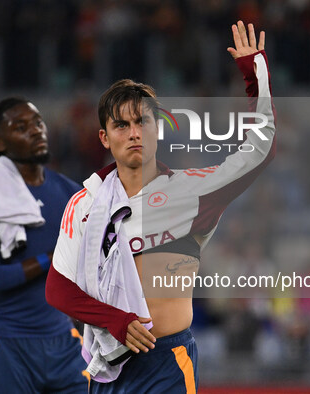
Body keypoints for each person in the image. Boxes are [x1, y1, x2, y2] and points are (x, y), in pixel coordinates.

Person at [46, 21, 275, 393]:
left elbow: (260, 151)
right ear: (104, 137)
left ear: (158, 128)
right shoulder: (85, 203)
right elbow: (58, 289)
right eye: (121, 125)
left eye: (142, 122)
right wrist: (115, 321)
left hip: (166, 365)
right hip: (108, 368)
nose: (134, 132)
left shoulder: (191, 191)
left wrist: (254, 76)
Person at [0, 98, 88, 393]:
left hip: (65, 344)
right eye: (21, 127)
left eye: (38, 123)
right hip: (7, 343)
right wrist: (51, 259)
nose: (36, 131)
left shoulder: (72, 193)